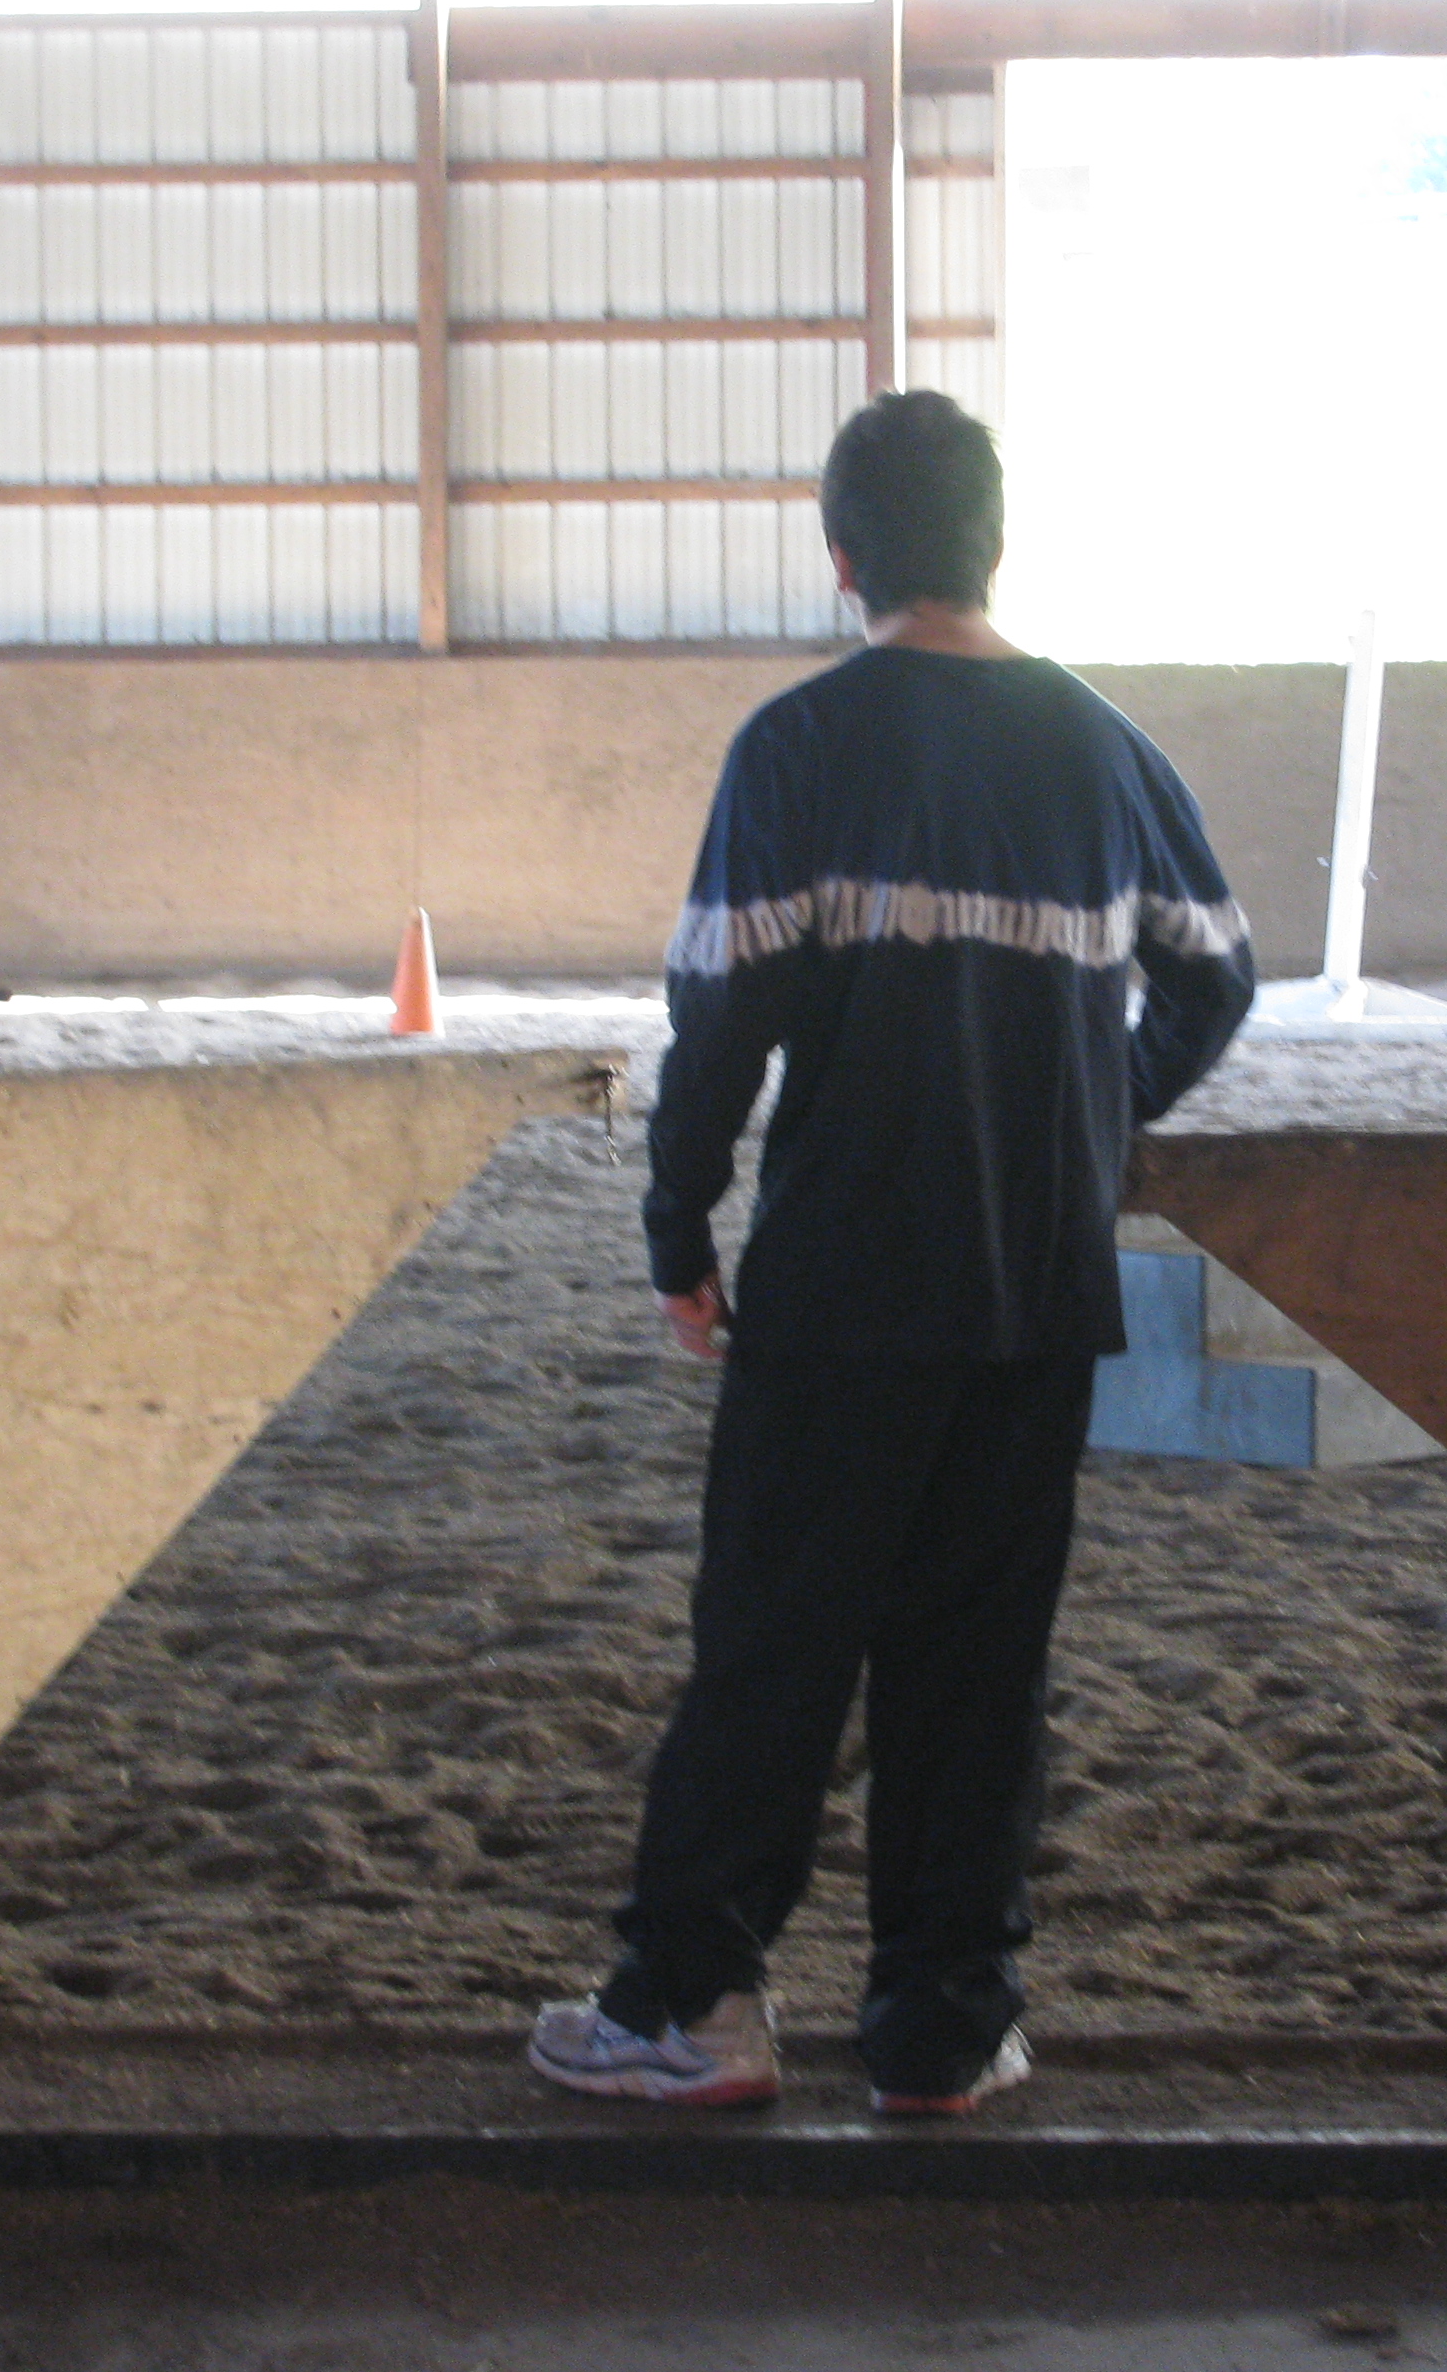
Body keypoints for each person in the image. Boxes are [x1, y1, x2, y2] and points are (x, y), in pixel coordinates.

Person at [527, 388, 1257, 2116]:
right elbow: (1217, 972)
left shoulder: (798, 749)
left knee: (775, 1650)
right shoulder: (1105, 750)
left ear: (842, 559)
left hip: (844, 1284)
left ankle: (694, 2002)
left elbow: (719, 1023)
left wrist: (678, 1228)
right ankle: (943, 2025)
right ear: (996, 545)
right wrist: (1095, 1116)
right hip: (1037, 1288)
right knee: (979, 1671)